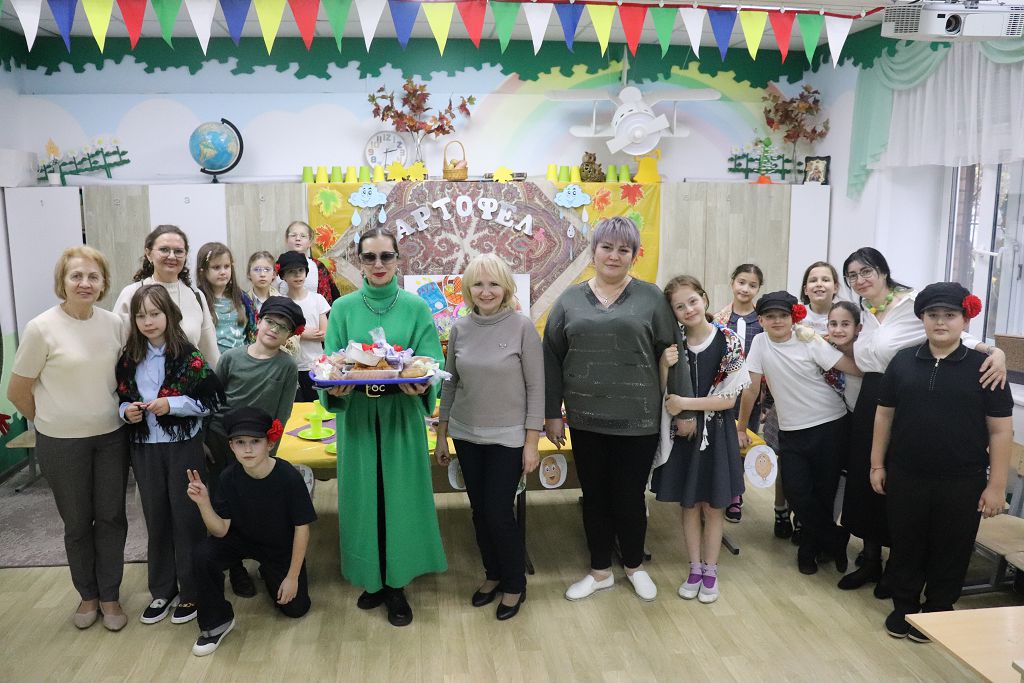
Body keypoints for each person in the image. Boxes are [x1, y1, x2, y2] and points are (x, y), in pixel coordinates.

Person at [838, 247, 1006, 595]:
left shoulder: (914, 304)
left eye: (866, 271)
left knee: (899, 489)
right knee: (866, 485)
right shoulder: (864, 311)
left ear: (884, 271)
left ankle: (898, 569)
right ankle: (870, 560)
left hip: (906, 398)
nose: (860, 280)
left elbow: (949, 332)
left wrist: (993, 351)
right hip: (870, 399)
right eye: (852, 276)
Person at [544, 216, 693, 603]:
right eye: (607, 247)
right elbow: (551, 357)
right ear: (593, 251)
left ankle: (634, 565)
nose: (614, 255)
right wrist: (551, 412)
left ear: (634, 254)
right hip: (585, 419)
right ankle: (599, 572)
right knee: (594, 496)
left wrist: (685, 410)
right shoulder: (570, 301)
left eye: (623, 249)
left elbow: (673, 352)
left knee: (629, 498)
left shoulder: (651, 298)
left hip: (638, 420)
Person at [869, 283, 1013, 641]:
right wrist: (877, 465)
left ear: (966, 320)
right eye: (932, 315)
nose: (940, 322)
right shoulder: (903, 361)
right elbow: (884, 415)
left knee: (952, 548)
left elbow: (1000, 431)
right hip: (906, 475)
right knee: (906, 544)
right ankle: (904, 606)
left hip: (962, 480)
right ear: (922, 319)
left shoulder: (986, 367)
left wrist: (996, 486)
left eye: (950, 315)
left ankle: (938, 609)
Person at [322, 227, 446, 627]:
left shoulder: (415, 307)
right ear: (359, 262)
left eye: (386, 256)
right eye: (370, 257)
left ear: (398, 260)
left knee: (400, 499)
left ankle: (397, 583)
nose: (378, 264)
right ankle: (371, 578)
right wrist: (334, 386)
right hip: (358, 417)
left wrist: (422, 383)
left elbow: (431, 361)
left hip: (401, 417)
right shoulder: (342, 308)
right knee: (363, 498)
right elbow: (330, 363)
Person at [8, 246, 130, 631]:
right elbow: (17, 391)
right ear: (62, 281)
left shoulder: (115, 324)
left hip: (111, 438)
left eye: (93, 276)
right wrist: (50, 420)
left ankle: (110, 595)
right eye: (76, 275)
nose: (85, 283)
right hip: (61, 443)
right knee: (77, 522)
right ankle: (87, 595)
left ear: (104, 283)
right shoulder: (41, 328)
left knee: (111, 518)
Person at [434, 253, 544, 621]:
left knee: (498, 513)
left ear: (506, 287)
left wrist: (532, 443)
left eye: (493, 284)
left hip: (509, 438)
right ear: (467, 289)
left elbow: (536, 388)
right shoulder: (460, 329)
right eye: (478, 284)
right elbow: (450, 385)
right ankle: (493, 573)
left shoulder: (522, 328)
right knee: (479, 511)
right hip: (466, 434)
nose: (486, 291)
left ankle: (515, 583)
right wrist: (442, 433)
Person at [116, 285, 224, 626]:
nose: (148, 321)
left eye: (155, 314)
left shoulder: (188, 356)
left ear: (169, 315)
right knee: (156, 516)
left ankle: (192, 590)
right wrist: (125, 412)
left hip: (183, 447)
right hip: (144, 448)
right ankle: (162, 590)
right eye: (141, 316)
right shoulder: (128, 358)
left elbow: (210, 402)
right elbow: (120, 398)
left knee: (187, 517)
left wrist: (173, 405)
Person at [737, 291, 862, 576]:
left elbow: (850, 367)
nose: (777, 321)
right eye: (770, 316)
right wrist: (741, 427)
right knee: (796, 492)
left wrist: (880, 369)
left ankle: (809, 550)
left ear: (792, 317)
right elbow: (751, 389)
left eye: (783, 315)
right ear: (761, 320)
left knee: (823, 493)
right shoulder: (760, 342)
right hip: (791, 431)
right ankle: (835, 537)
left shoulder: (808, 339)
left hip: (830, 425)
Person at [186, 406, 316, 656]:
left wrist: (292, 577)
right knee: (203, 554)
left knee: (296, 609)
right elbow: (221, 530)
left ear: (269, 444)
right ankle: (216, 623)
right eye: (240, 442)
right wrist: (203, 503)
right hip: (241, 540)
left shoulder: (288, 477)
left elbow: (302, 528)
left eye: (255, 442)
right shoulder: (228, 477)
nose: (247, 449)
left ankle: (269, 571)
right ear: (231, 446)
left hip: (279, 546)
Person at [652, 275, 749, 604]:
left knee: (714, 505)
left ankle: (711, 570)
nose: (688, 309)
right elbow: (663, 392)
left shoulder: (729, 341)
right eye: (679, 306)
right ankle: (694, 568)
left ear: (704, 298)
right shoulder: (674, 343)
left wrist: (686, 405)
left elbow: (728, 400)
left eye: (692, 301)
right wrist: (664, 366)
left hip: (716, 435)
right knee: (690, 504)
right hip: (684, 436)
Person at [205, 296, 303, 597]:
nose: (274, 329)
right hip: (222, 440)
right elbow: (213, 401)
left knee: (258, 505)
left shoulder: (287, 366)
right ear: (258, 321)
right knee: (225, 503)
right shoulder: (231, 358)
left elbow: (283, 412)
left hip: (260, 447)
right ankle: (235, 568)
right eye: (270, 322)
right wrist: (206, 440)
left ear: (289, 336)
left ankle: (265, 558)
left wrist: (271, 449)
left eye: (283, 327)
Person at [113, 225, 220, 367]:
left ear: (185, 255)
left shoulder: (196, 296)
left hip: (188, 379)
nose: (171, 256)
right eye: (164, 250)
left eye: (178, 251)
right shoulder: (131, 293)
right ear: (148, 254)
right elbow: (117, 348)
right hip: (143, 378)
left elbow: (210, 353)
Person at [713, 263, 764, 524]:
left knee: (742, 442)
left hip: (751, 395)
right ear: (732, 282)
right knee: (720, 442)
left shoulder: (762, 321)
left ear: (758, 288)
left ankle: (736, 493)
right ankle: (717, 489)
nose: (745, 288)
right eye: (741, 282)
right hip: (722, 391)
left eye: (752, 285)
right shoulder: (719, 319)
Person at [278, 251, 330, 402]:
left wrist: (293, 333)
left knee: (318, 405)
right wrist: (302, 334)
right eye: (291, 272)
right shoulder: (281, 303)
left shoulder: (317, 299)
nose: (297, 275)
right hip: (290, 367)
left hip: (315, 366)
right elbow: (280, 335)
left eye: (301, 270)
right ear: (283, 276)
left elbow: (324, 334)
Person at [195, 242, 256, 354]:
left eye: (227, 266)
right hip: (212, 361)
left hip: (241, 360)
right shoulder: (197, 299)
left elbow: (252, 332)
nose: (223, 272)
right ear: (202, 271)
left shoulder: (243, 298)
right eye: (216, 267)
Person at [277, 220, 340, 304]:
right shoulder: (277, 266)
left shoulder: (318, 266)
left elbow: (332, 299)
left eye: (303, 236)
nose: (298, 239)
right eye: (293, 235)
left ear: (310, 242)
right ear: (286, 239)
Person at [800, 261, 840, 334]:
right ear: (805, 290)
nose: (819, 284)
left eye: (825, 280)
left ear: (835, 287)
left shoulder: (845, 315)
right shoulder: (796, 316)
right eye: (813, 280)